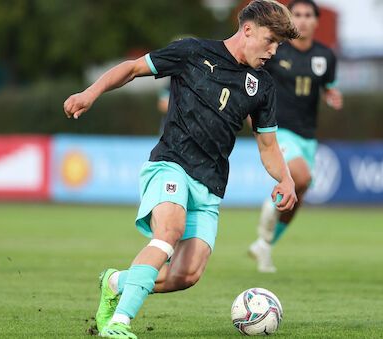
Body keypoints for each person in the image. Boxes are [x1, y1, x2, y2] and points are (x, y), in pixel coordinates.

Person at [63, 1, 298, 338]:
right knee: (168, 233)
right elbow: (131, 69)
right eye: (270, 41)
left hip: (211, 184)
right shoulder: (191, 52)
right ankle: (118, 324)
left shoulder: (262, 86)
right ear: (248, 29)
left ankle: (115, 282)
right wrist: (91, 92)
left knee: (186, 275)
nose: (274, 51)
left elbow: (268, 146)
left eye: (279, 45)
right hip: (171, 164)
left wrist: (286, 178)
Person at [248, 0, 343, 273]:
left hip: (307, 134)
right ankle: (272, 201)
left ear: (316, 20)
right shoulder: (277, 50)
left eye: (307, 15)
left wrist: (332, 95)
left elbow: (327, 87)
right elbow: (253, 78)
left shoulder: (326, 56)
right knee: (301, 177)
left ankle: (265, 244)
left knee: (298, 196)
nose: (302, 20)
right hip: (278, 127)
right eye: (297, 15)